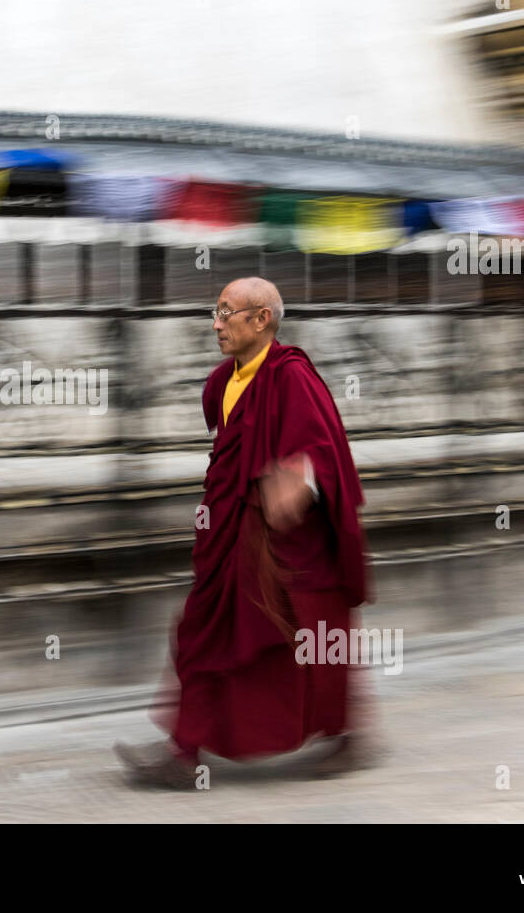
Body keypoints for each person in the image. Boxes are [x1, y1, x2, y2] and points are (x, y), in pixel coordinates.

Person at [114, 277, 376, 789]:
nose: (216, 325)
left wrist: (298, 480)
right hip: (233, 533)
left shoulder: (292, 375)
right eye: (215, 313)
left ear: (262, 319)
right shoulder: (225, 380)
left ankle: (344, 734)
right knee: (202, 632)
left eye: (226, 313)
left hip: (285, 543)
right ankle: (184, 750)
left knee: (314, 636)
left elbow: (323, 450)